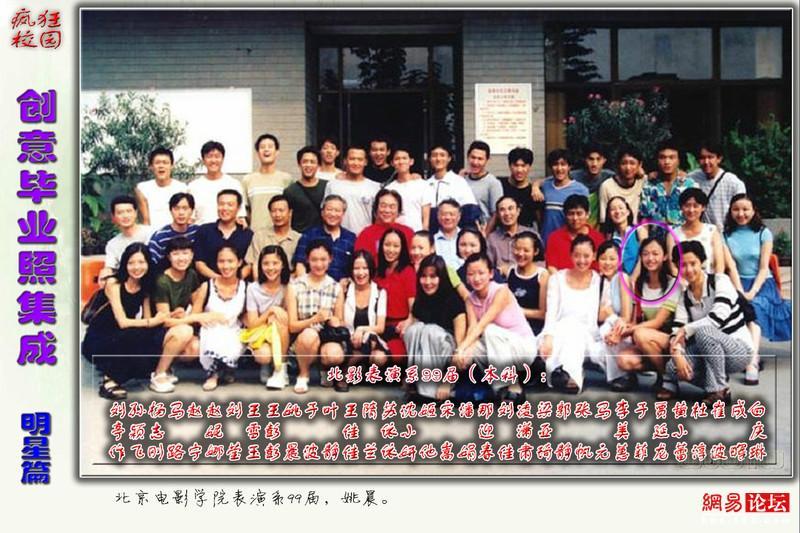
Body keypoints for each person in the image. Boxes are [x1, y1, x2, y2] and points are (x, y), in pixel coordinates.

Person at [81, 243, 177, 399]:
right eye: (131, 263)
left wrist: (168, 317)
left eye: (141, 262)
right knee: (131, 337)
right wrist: (153, 321)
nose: (136, 267)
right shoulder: (113, 283)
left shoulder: (145, 286)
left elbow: (147, 320)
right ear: (124, 264)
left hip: (123, 333)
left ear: (148, 264)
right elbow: (123, 322)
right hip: (100, 337)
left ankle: (136, 370)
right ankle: (109, 381)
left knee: (150, 339)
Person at [664, 242, 753, 403]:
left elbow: (717, 319)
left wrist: (686, 329)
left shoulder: (720, 281)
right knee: (672, 368)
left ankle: (719, 391)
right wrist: (677, 353)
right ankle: (718, 382)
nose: (689, 269)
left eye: (693, 263)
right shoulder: (685, 297)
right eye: (683, 265)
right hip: (709, 352)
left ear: (702, 262)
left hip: (738, 350)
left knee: (704, 332)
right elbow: (677, 328)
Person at [456, 253, 535, 402]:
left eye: (481, 273)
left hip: (522, 348)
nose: (476, 278)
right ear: (466, 277)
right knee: (470, 352)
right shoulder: (470, 300)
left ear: (491, 274)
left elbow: (482, 324)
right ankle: (502, 386)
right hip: (497, 348)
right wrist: (462, 352)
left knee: (489, 330)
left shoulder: (501, 291)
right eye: (471, 274)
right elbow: (473, 328)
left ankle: (509, 386)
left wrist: (460, 348)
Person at [724, 193, 791, 364]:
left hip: (762, 284)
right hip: (737, 283)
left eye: (745, 209)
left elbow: (763, 267)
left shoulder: (763, 233)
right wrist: (740, 291)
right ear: (730, 211)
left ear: (753, 211)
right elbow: (731, 267)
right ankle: (750, 356)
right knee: (743, 309)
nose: (741, 213)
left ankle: (752, 359)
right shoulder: (725, 235)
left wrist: (752, 292)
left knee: (755, 307)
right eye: (736, 209)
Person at [538, 235, 601, 393]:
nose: (582, 260)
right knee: (563, 330)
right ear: (571, 255)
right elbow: (551, 312)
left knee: (574, 329)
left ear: (594, 256)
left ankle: (567, 373)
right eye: (577, 255)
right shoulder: (557, 279)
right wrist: (548, 337)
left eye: (586, 256)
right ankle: (567, 373)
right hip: (558, 330)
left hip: (587, 333)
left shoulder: (598, 280)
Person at [615, 236, 680, 382]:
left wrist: (629, 331)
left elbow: (657, 322)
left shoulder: (673, 284)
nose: (650, 258)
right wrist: (619, 330)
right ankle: (663, 369)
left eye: (655, 254)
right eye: (645, 254)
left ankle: (667, 379)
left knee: (640, 334)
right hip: (647, 341)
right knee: (623, 359)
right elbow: (634, 321)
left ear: (665, 256)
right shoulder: (639, 285)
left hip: (670, 340)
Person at [286, 239, 346, 394]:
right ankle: (303, 374)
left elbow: (340, 321)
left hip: (326, 338)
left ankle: (324, 367)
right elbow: (292, 326)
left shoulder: (336, 287)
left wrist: (335, 321)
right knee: (309, 334)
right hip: (302, 340)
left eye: (323, 259)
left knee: (334, 355)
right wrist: (314, 320)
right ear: (307, 260)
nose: (319, 264)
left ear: (330, 259)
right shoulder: (295, 286)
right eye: (314, 260)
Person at [404, 254, 467, 400]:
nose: (428, 282)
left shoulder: (454, 301)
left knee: (430, 331)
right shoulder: (421, 300)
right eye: (424, 276)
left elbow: (460, 349)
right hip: (427, 356)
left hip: (449, 356)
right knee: (413, 330)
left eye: (433, 277)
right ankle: (414, 381)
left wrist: (447, 382)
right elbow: (414, 341)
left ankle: (430, 392)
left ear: (442, 277)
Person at [148, 237, 205, 393]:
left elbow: (196, 305)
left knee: (195, 348)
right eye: (176, 254)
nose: (181, 258)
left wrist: (186, 315)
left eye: (185, 253)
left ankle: (168, 367)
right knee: (185, 330)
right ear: (169, 257)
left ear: (192, 255)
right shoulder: (162, 281)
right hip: (159, 330)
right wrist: (186, 318)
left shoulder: (191, 275)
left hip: (179, 324)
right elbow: (164, 320)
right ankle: (158, 374)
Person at [241, 245, 291, 390]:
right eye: (266, 263)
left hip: (283, 333)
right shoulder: (253, 288)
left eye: (275, 263)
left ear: (283, 265)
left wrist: (276, 315)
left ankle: (281, 369)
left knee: (279, 319)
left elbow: (290, 317)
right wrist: (270, 311)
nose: (270, 268)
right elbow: (252, 323)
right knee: (263, 355)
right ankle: (267, 364)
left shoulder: (288, 286)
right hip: (261, 331)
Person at [593, 240, 635, 391]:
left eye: (612, 259)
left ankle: (622, 376)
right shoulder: (596, 280)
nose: (607, 263)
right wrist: (607, 315)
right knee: (594, 351)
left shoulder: (622, 278)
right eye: (603, 258)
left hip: (622, 330)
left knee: (607, 330)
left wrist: (610, 316)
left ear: (619, 261)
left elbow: (626, 317)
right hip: (603, 329)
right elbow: (596, 315)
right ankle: (620, 373)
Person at [341, 250, 389, 379]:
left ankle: (348, 368)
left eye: (365, 268)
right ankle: (356, 368)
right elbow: (340, 320)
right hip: (348, 339)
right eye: (356, 268)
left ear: (371, 270)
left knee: (379, 356)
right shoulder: (344, 290)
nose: (361, 273)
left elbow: (380, 327)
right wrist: (353, 335)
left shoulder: (380, 292)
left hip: (369, 341)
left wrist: (361, 330)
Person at [639, 138, 697, 236]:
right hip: (656, 241)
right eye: (662, 157)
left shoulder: (690, 186)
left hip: (684, 239)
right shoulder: (649, 186)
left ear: (678, 160)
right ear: (657, 160)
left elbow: (696, 218)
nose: (667, 162)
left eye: (672, 157)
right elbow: (644, 218)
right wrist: (644, 241)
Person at [373, 228, 416, 362]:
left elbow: (413, 306)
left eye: (396, 246)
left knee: (379, 359)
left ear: (402, 248)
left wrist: (408, 322)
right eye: (387, 245)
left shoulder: (408, 272)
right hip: (378, 326)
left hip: (398, 328)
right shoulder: (377, 272)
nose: (391, 250)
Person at [293, 194, 356, 281]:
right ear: (322, 213)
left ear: (343, 214)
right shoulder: (309, 235)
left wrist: (347, 282)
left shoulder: (351, 238)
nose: (333, 214)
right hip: (313, 286)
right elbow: (300, 265)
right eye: (329, 210)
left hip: (342, 286)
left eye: (337, 210)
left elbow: (356, 267)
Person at [194, 189, 253, 280]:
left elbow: (250, 264)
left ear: (238, 208)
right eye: (221, 204)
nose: (225, 208)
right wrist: (219, 280)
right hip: (209, 283)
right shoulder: (204, 231)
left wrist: (234, 280)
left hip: (239, 284)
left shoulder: (247, 234)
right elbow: (199, 263)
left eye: (230, 205)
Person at [687, 140, 746, 231]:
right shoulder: (691, 179)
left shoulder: (733, 183)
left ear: (719, 159)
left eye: (710, 157)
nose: (706, 162)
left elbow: (742, 210)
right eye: (702, 158)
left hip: (725, 233)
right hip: (700, 233)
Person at [323, 145, 381, 233]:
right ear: (345, 161)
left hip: (365, 237)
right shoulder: (333, 185)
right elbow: (325, 213)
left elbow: (379, 218)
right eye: (352, 159)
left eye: (360, 159)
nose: (356, 163)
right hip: (338, 238)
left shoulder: (375, 187)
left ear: (365, 162)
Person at [242, 133, 293, 231]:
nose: (266, 150)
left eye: (270, 146)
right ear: (257, 152)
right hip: (256, 234)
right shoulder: (248, 180)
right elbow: (246, 210)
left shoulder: (286, 179)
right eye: (262, 147)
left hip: (280, 234)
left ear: (277, 152)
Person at [188, 140, 247, 225]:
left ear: (223, 159)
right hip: (201, 232)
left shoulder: (234, 184)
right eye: (209, 156)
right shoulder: (193, 187)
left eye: (217, 156)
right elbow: (190, 219)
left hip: (227, 232)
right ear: (203, 160)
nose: (213, 160)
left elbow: (240, 216)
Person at [98, 195, 154, 284]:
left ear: (136, 213)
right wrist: (105, 275)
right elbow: (110, 267)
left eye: (129, 211)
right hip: (128, 284)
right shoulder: (113, 244)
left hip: (152, 280)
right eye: (120, 212)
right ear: (113, 217)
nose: (125, 216)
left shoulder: (151, 233)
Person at [668, 188, 725, 275]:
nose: (691, 210)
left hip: (709, 279)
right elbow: (673, 267)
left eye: (696, 206)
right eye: (687, 206)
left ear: (703, 207)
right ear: (681, 207)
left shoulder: (712, 231)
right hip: (682, 281)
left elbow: (719, 264)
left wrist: (716, 280)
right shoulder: (673, 233)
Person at [425, 144, 480, 233]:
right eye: (434, 155)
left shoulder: (458, 182)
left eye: (442, 155)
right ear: (430, 159)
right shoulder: (425, 184)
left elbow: (470, 211)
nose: (438, 159)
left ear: (449, 158)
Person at [538, 148, 589, 245]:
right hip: (546, 241)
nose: (559, 168)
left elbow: (584, 220)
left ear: (569, 167)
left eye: (563, 164)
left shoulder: (581, 190)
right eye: (555, 164)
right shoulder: (545, 186)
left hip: (569, 242)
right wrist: (535, 186)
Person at [245, 194, 302, 279]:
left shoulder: (298, 238)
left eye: (281, 210)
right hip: (264, 280)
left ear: (290, 212)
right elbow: (255, 265)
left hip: (290, 282)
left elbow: (300, 269)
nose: (277, 214)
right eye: (274, 211)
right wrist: (258, 284)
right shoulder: (260, 236)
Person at [544, 194, 604, 273]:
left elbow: (601, 267)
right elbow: (551, 267)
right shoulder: (555, 237)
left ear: (587, 214)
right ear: (565, 215)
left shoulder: (598, 238)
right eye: (571, 214)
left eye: (579, 214)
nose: (575, 218)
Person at [353, 189, 414, 261]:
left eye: (392, 207)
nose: (387, 210)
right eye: (383, 206)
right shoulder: (366, 234)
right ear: (376, 208)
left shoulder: (408, 233)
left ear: (398, 210)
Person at [507, 231, 548, 337]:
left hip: (533, 329)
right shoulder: (510, 271)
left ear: (535, 251)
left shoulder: (542, 275)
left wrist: (518, 311)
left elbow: (543, 313)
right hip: (511, 326)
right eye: (517, 249)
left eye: (526, 250)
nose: (520, 254)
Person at [486, 195, 539, 277]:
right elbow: (488, 267)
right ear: (498, 214)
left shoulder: (532, 235)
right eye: (502, 210)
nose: (507, 213)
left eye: (510, 208)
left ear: (518, 211)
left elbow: (541, 263)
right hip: (501, 281)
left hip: (527, 279)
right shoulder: (492, 239)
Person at [135, 147, 187, 229]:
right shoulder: (142, 188)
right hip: (152, 233)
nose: (161, 166)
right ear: (151, 166)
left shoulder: (182, 188)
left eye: (165, 163)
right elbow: (145, 220)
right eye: (157, 163)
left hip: (176, 234)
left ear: (172, 166)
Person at [147, 192, 199, 269]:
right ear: (171, 210)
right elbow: (152, 263)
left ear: (191, 211)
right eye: (176, 209)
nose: (181, 213)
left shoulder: (197, 231)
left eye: (185, 208)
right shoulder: (160, 236)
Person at [569, 143, 615, 228]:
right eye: (591, 159)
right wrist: (539, 186)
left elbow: (626, 178)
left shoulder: (609, 176)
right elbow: (551, 180)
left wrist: (639, 172)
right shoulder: (573, 176)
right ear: (585, 160)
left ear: (604, 160)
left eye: (598, 159)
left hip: (600, 225)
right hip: (577, 222)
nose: (594, 164)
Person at [385, 147, 431, 231]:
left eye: (404, 158)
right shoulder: (389, 189)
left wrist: (424, 232)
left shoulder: (423, 185)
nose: (401, 162)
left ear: (411, 161)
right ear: (392, 163)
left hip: (417, 232)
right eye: (397, 159)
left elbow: (426, 216)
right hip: (395, 233)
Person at [598, 144, 646, 225]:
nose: (628, 168)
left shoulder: (643, 181)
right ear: (618, 165)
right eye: (624, 163)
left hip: (637, 229)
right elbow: (603, 219)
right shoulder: (607, 186)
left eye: (632, 163)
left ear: (640, 165)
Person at [284, 146, 328, 233]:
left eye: (312, 162)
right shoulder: (290, 191)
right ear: (299, 164)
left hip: (323, 237)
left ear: (318, 165)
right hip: (300, 237)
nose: (308, 165)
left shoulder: (327, 187)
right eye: (305, 161)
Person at [463, 140, 504, 229]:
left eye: (480, 159)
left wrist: (485, 234)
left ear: (487, 160)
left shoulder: (493, 183)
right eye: (473, 157)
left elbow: (496, 214)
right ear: (468, 157)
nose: (475, 162)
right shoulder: (462, 180)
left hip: (482, 230)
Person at [499, 147, 542, 231]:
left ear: (529, 167)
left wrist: (536, 185)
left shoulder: (535, 192)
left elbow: (540, 221)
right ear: (510, 166)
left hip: (527, 233)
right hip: (502, 233)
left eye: (523, 166)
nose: (519, 170)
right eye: (516, 165)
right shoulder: (499, 185)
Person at [455, 227, 504, 299]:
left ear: (481, 246)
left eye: (473, 245)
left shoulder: (490, 271)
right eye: (463, 245)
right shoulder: (457, 275)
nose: (467, 250)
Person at [601, 196, 639, 275]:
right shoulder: (609, 237)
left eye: (621, 208)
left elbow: (644, 256)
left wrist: (633, 278)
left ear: (628, 212)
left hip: (637, 278)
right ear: (609, 215)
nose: (617, 211)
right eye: (613, 209)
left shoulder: (638, 231)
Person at [432, 199, 463, 270]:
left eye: (452, 214)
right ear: (438, 216)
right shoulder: (432, 241)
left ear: (459, 217)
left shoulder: (467, 238)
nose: (448, 218)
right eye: (444, 214)